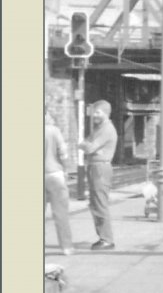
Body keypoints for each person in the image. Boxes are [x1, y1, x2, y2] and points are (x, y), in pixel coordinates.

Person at [78, 99, 118, 250]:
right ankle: (102, 237)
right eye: (93, 111)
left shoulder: (107, 129)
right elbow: (83, 143)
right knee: (95, 204)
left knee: (100, 203)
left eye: (97, 112)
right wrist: (89, 147)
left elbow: (87, 148)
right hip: (95, 167)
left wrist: (89, 147)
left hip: (101, 169)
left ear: (106, 113)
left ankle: (107, 239)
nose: (94, 115)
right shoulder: (98, 128)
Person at [44, 111, 74, 255]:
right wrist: (66, 169)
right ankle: (66, 247)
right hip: (54, 175)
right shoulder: (53, 130)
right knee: (60, 213)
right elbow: (63, 153)